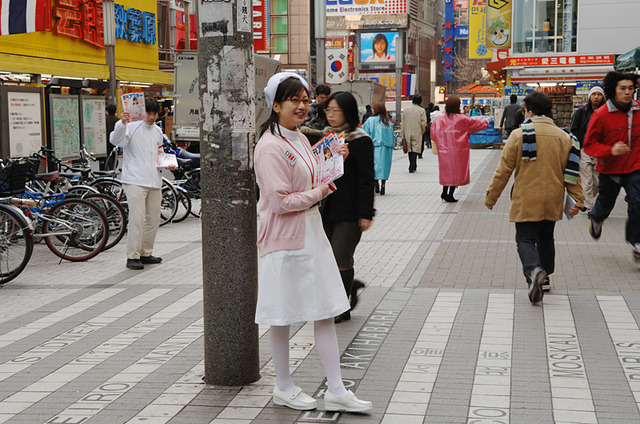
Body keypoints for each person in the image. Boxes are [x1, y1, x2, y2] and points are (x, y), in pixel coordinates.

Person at [253, 73, 372, 413]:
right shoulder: (270, 146)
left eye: (306, 100)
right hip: (283, 240)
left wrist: (336, 161)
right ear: (275, 105)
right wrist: (323, 190)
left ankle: (336, 388)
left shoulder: (300, 138)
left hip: (310, 234)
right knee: (282, 314)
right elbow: (280, 202)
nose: (303, 106)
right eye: (294, 100)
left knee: (324, 310)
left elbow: (312, 177)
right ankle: (284, 385)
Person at [484, 91, 584, 302]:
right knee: (546, 236)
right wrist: (579, 200)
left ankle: (533, 270)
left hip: (527, 198)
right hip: (554, 198)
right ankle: (544, 279)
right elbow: (573, 172)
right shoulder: (566, 137)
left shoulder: (519, 135)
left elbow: (503, 171)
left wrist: (491, 197)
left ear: (529, 111)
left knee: (525, 238)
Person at [321, 91, 375, 324]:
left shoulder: (360, 140)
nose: (330, 115)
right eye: (328, 110)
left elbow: (366, 179)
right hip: (325, 207)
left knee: (341, 257)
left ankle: (342, 307)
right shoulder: (323, 137)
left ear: (348, 112)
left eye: (336, 110)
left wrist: (366, 213)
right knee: (326, 259)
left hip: (350, 210)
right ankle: (349, 288)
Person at [584, 71, 640, 261]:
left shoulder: (638, 110)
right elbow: (589, 144)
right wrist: (610, 150)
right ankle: (596, 218)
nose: (627, 92)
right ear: (614, 90)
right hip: (609, 169)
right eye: (623, 88)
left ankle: (636, 243)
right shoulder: (601, 115)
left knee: (637, 202)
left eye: (631, 88)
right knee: (605, 204)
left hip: (635, 167)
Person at [110, 98, 172, 270]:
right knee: (137, 219)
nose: (151, 117)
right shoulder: (130, 126)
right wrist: (121, 123)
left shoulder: (158, 130)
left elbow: (160, 152)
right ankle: (132, 256)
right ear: (142, 112)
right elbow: (116, 141)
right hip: (134, 180)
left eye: (154, 113)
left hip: (154, 180)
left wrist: (168, 164)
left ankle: (146, 252)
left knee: (153, 219)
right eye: (148, 113)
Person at [430, 96, 489, 202]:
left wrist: (441, 142)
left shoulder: (440, 119)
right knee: (456, 171)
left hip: (445, 150)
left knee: (446, 171)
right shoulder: (462, 119)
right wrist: (487, 121)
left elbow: (434, 133)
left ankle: (444, 192)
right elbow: (476, 124)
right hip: (459, 150)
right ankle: (450, 194)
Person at [570, 86, 605, 211]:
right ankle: (588, 206)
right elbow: (573, 130)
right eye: (594, 94)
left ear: (603, 96)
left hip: (599, 151)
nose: (596, 97)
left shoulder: (606, 112)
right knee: (587, 180)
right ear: (589, 96)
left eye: (599, 94)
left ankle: (586, 199)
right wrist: (576, 148)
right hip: (584, 150)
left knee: (597, 182)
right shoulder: (581, 112)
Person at [363, 103, 394, 195]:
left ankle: (376, 184)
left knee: (374, 165)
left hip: (374, 146)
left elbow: (364, 131)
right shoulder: (388, 121)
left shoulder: (370, 120)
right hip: (386, 146)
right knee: (385, 166)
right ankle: (383, 184)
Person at [401, 94, 427, 173]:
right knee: (415, 149)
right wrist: (422, 131)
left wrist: (403, 133)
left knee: (409, 149)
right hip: (417, 131)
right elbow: (424, 123)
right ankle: (413, 165)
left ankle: (412, 164)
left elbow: (403, 122)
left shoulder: (406, 110)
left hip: (407, 131)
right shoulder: (421, 110)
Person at [105, 104, 118, 171]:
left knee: (109, 154)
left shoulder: (105, 119)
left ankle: (111, 168)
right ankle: (113, 167)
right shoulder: (118, 120)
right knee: (114, 154)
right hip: (115, 140)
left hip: (106, 140)